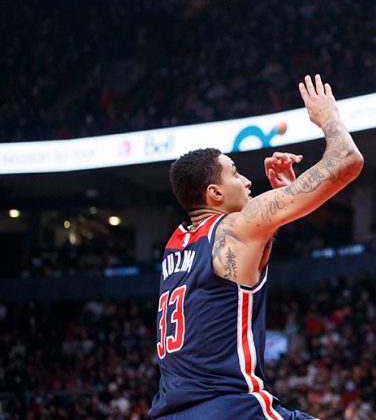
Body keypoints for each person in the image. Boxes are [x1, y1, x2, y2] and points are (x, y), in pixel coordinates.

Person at [149, 75, 364, 419]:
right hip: (230, 409)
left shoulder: (176, 246)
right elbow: (347, 161)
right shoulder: (235, 228)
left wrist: (279, 210)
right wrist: (328, 118)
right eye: (235, 173)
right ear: (214, 194)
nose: (248, 180)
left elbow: (244, 262)